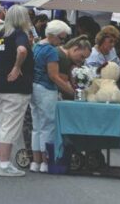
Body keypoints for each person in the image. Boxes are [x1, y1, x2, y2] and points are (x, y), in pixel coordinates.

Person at [0, 5, 34, 177]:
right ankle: (4, 164)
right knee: (10, 125)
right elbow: (22, 50)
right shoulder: (19, 35)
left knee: (2, 123)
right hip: (14, 87)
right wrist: (16, 67)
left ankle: (1, 161)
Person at [30, 20, 75, 173]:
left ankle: (35, 162)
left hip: (34, 87)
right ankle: (45, 162)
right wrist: (70, 91)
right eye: (62, 38)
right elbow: (54, 76)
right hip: (47, 89)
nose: (62, 42)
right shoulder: (51, 51)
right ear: (54, 36)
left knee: (36, 127)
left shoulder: (37, 46)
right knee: (48, 126)